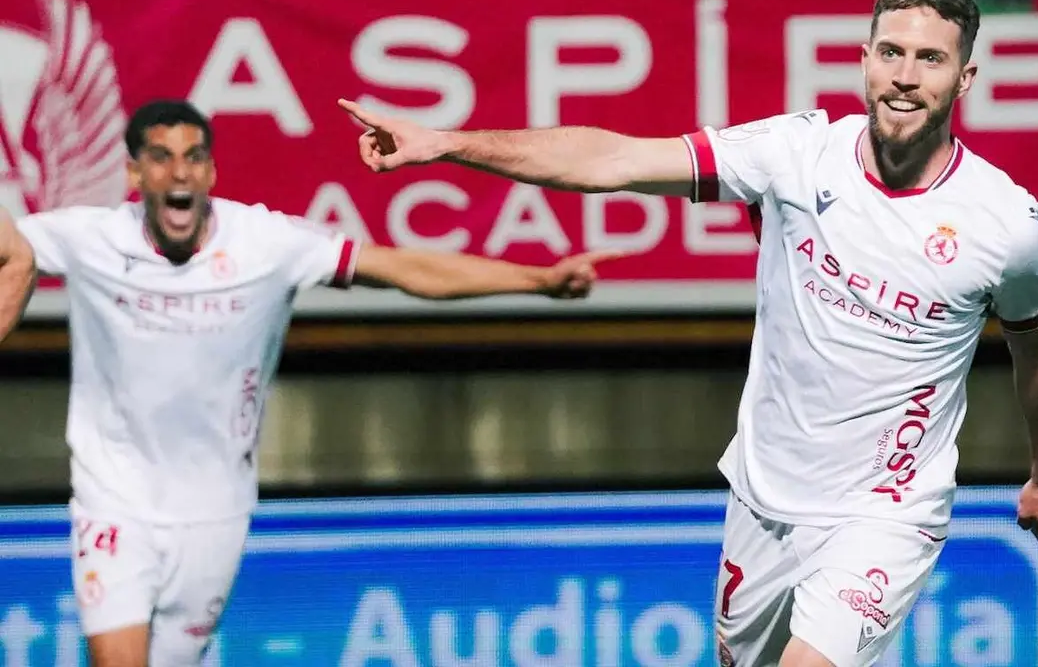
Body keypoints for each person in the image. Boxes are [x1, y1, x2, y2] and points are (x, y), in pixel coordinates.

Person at [336, 0, 1038, 667]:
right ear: (865, 60)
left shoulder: (1008, 227)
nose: (906, 77)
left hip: (885, 512)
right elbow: (611, 160)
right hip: (763, 494)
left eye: (930, 59)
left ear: (965, 78)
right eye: (891, 53)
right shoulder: (797, 154)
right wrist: (447, 144)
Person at [0, 99, 613, 667]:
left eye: (193, 157)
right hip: (113, 501)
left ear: (212, 172)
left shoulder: (267, 244)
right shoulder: (88, 237)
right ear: (135, 176)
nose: (179, 174)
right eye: (161, 158)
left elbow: (404, 268)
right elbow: (12, 249)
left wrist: (538, 282)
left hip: (216, 510)